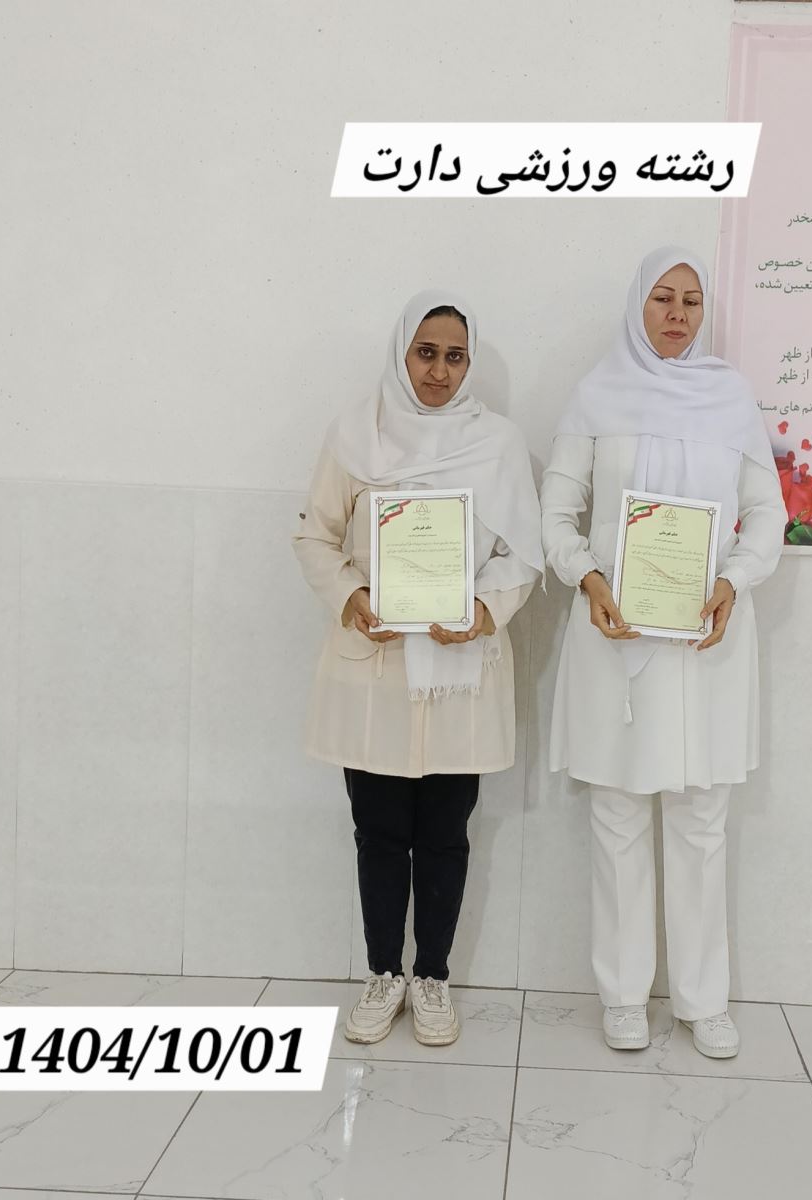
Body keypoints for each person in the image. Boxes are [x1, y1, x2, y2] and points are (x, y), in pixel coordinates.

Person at [540, 247, 785, 1058]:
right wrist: (586, 577)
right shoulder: (596, 395)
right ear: (635, 306)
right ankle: (621, 995)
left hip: (706, 636)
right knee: (616, 812)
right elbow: (557, 511)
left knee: (699, 816)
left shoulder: (730, 398)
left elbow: (765, 513)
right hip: (614, 631)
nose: (677, 313)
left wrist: (734, 580)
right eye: (661, 297)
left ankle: (702, 1001)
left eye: (690, 300)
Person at [293, 291, 542, 1047]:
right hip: (375, 664)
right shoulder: (355, 435)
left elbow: (522, 554)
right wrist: (351, 597)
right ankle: (382, 974)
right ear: (402, 354)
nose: (438, 371)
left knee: (444, 834)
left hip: (459, 668)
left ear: (470, 364)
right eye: (425, 353)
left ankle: (431, 977)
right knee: (377, 832)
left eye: (454, 357)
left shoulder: (498, 444)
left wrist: (485, 611)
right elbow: (314, 536)